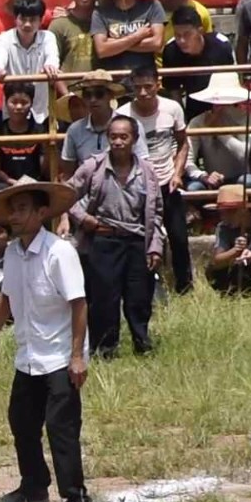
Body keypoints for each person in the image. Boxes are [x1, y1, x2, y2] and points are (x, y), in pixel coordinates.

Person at [0, 180, 90, 502]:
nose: (14, 215)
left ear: (42, 213)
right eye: (12, 209)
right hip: (28, 357)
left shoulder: (60, 252)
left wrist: (76, 356)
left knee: (62, 428)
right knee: (21, 422)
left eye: (22, 208)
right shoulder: (13, 253)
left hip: (58, 357)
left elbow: (79, 303)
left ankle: (75, 497)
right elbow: (7, 299)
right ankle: (33, 488)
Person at [69, 115, 163, 358]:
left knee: (139, 297)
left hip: (137, 240)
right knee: (104, 298)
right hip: (104, 239)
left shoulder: (148, 171)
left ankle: (142, 344)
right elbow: (66, 194)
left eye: (124, 136)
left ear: (135, 139)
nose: (119, 141)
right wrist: (83, 218)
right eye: (114, 136)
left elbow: (157, 212)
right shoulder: (93, 167)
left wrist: (155, 246)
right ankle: (105, 349)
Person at [117, 64, 191, 292]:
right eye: (137, 88)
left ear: (158, 85)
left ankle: (185, 287)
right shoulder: (123, 114)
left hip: (167, 181)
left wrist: (178, 174)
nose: (142, 93)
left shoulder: (172, 108)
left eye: (148, 87)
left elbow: (182, 143)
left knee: (178, 237)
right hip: (137, 184)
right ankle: (143, 287)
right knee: (139, 238)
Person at [59, 70, 147, 178]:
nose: (93, 100)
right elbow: (68, 173)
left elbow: (143, 167)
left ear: (111, 95)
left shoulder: (132, 126)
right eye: (87, 95)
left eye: (99, 94)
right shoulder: (74, 130)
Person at [0, 0, 59, 125]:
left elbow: (52, 58)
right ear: (15, 19)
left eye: (32, 20)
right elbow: (0, 61)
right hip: (13, 111)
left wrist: (50, 66)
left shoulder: (48, 37)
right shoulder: (4, 39)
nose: (27, 24)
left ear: (41, 20)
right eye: (23, 19)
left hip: (41, 111)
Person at [184, 72, 251, 192]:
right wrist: (203, 176)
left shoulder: (245, 117)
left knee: (249, 181)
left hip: (240, 177)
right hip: (210, 179)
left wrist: (220, 131)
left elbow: (243, 154)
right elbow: (188, 159)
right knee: (193, 187)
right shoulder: (197, 122)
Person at [92, 0, 164, 74]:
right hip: (113, 86)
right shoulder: (100, 12)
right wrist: (137, 36)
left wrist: (115, 43)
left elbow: (156, 43)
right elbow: (101, 50)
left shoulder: (152, 6)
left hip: (144, 83)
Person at [160, 7, 234, 121]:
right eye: (177, 35)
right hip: (191, 99)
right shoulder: (171, 50)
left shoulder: (221, 46)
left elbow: (230, 85)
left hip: (222, 100)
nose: (181, 40)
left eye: (187, 34)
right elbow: (174, 92)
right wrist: (181, 121)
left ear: (200, 31)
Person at [51, 0, 101, 95]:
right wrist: (67, 96)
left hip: (101, 95)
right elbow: (52, 65)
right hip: (70, 96)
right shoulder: (58, 25)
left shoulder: (106, 21)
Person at [0, 83, 45, 187]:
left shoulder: (40, 130)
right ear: (6, 102)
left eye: (24, 102)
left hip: (34, 183)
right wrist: (13, 182)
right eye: (14, 102)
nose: (19, 107)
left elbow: (44, 168)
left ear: (31, 104)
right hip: (5, 183)